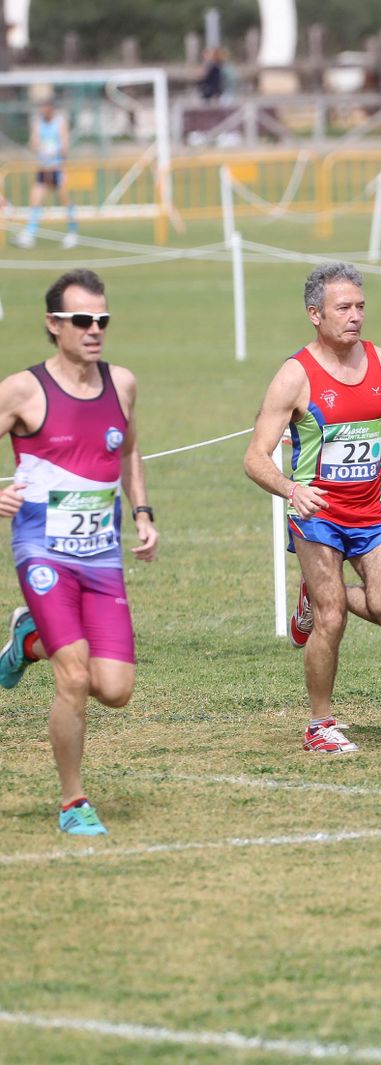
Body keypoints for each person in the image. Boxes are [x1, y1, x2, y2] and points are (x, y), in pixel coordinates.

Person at [0, 270, 158, 835]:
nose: (95, 330)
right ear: (53, 325)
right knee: (73, 678)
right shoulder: (24, 389)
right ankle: (73, 803)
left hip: (101, 557)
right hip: (41, 551)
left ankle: (30, 638)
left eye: (102, 320)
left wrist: (142, 512)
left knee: (114, 689)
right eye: (82, 321)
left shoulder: (123, 384)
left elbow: (131, 453)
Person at [243, 263, 381, 754]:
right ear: (315, 314)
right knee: (333, 618)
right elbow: (254, 458)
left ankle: (317, 595)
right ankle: (320, 724)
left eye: (361, 306)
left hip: (372, 512)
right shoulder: (294, 376)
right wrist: (290, 490)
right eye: (344, 308)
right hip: (316, 513)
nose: (356, 316)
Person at [16, 99, 78, 250]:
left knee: (64, 200)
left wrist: (54, 150)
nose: (43, 111)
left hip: (57, 168)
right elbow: (33, 142)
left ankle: (72, 233)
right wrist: (38, 147)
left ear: (51, 109)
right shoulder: (38, 123)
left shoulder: (59, 122)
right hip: (43, 169)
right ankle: (30, 233)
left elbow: (64, 145)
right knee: (35, 200)